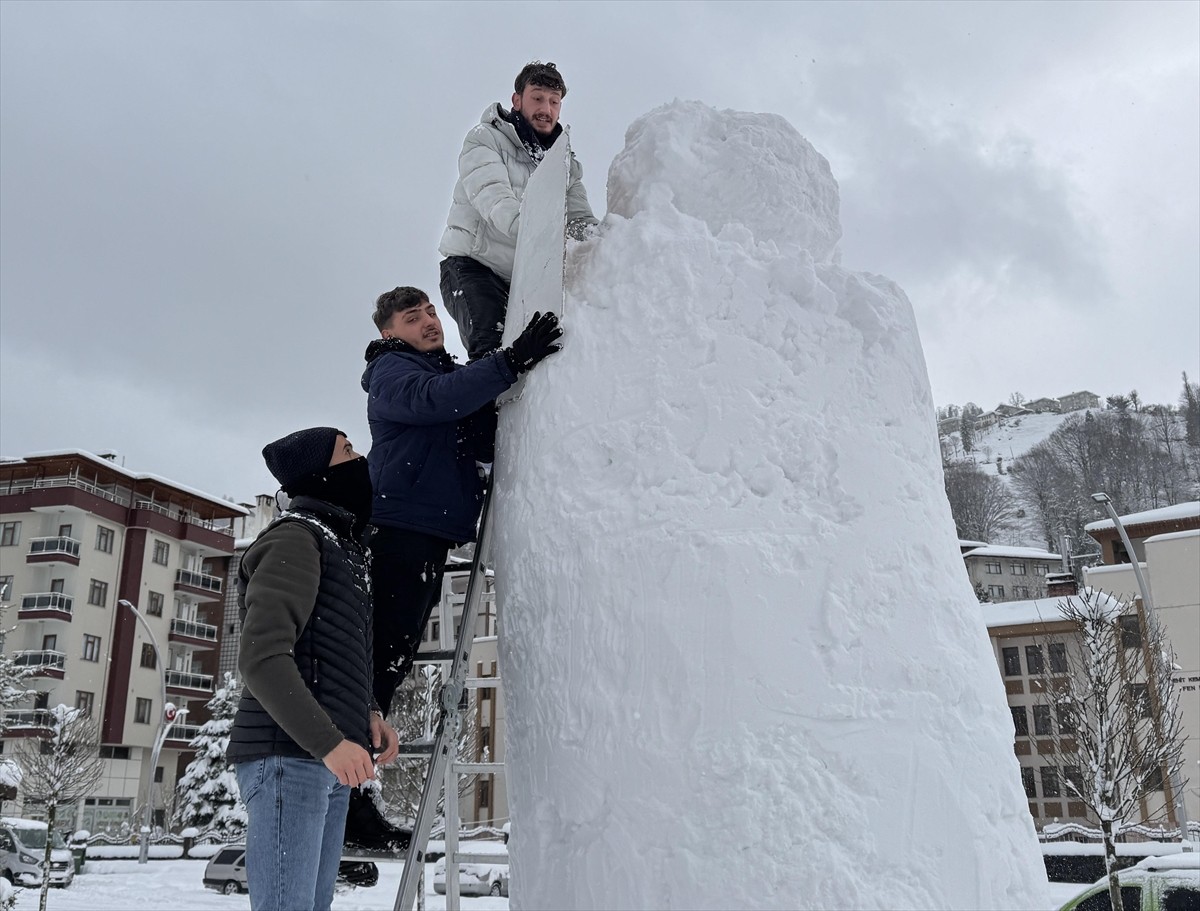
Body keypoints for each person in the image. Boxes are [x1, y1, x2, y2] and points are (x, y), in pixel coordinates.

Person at [362, 286, 561, 718]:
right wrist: (509, 361)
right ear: (387, 331)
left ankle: (362, 746)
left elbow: (476, 436)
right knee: (381, 652)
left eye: (431, 312)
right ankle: (350, 753)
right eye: (413, 317)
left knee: (396, 652)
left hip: (427, 531)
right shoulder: (390, 369)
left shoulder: (442, 372)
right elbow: (435, 399)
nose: (430, 321)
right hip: (397, 530)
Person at [226, 427, 400, 911]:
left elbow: (329, 652)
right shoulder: (296, 541)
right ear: (320, 474)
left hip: (325, 760)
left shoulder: (339, 547)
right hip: (290, 759)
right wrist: (329, 742)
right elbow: (262, 658)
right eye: (347, 451)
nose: (359, 458)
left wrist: (365, 712)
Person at [438, 60, 596, 361]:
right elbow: (496, 202)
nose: (546, 108)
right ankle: (479, 408)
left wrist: (608, 246)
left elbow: (580, 220)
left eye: (554, 101)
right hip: (474, 267)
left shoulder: (564, 163)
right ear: (517, 100)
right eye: (537, 98)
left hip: (525, 275)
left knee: (543, 351)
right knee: (492, 347)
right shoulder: (485, 138)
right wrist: (546, 239)